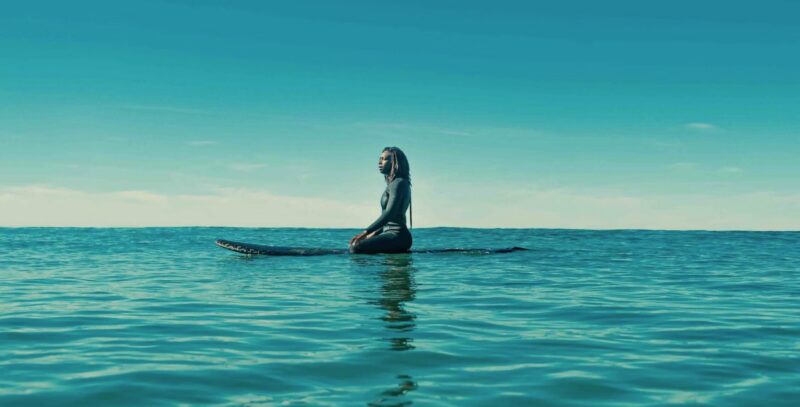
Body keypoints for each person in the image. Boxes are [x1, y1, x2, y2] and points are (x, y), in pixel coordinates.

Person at [349, 147, 413, 254]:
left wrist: (365, 232)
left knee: (356, 247)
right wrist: (373, 235)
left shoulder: (399, 183)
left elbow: (390, 214)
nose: (379, 162)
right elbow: (387, 220)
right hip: (389, 234)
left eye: (384, 159)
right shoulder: (395, 184)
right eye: (379, 159)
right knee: (356, 245)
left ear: (394, 162)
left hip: (398, 236)